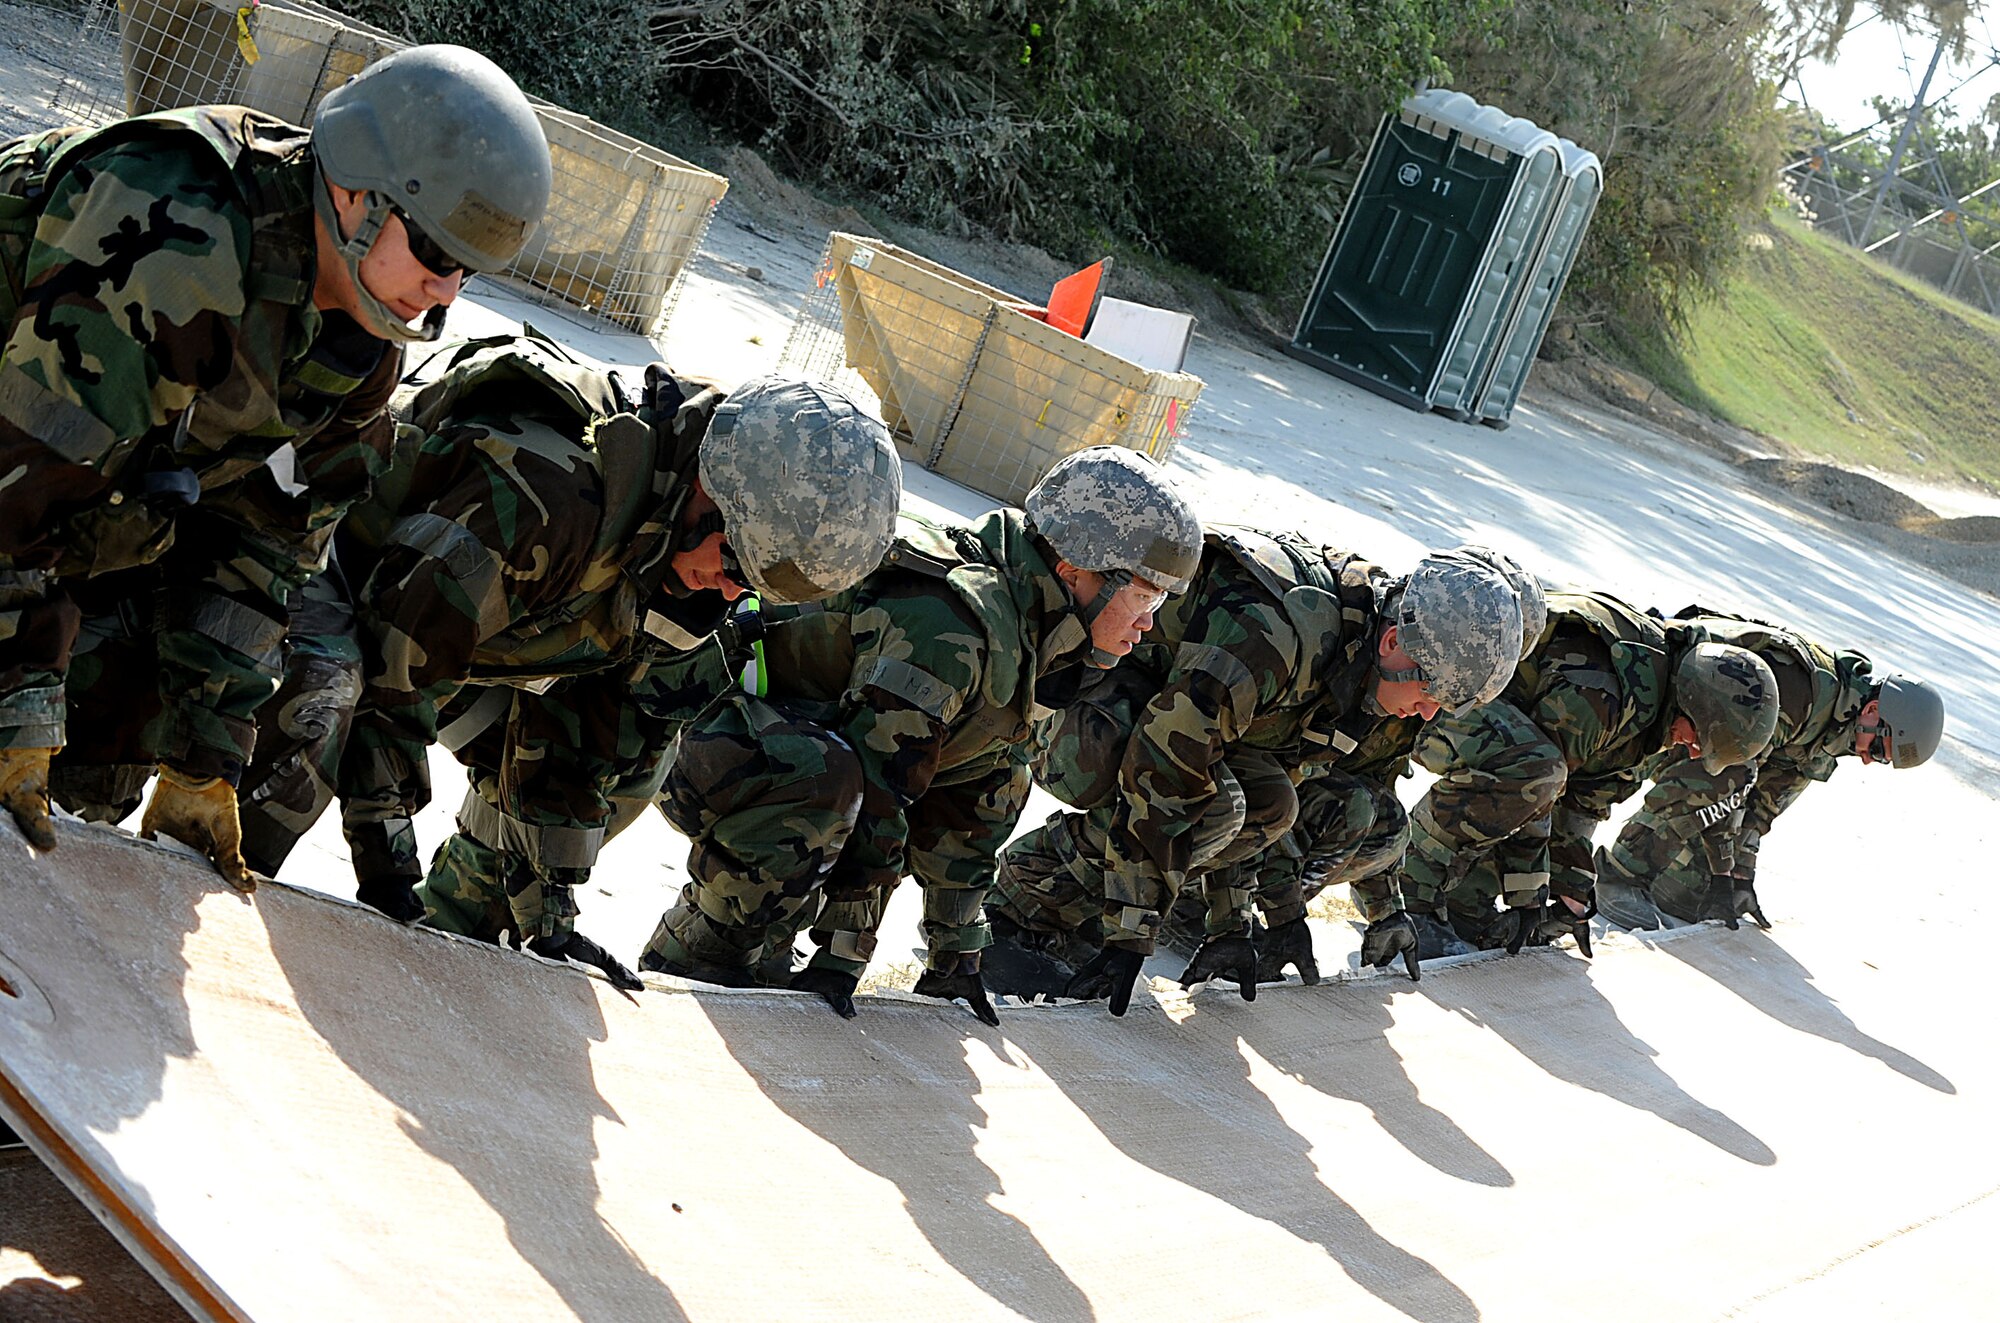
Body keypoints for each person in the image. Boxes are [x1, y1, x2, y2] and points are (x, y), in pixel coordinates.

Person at [0, 45, 552, 888]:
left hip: (77, 515)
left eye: (467, 270)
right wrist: (20, 698)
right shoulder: (182, 228)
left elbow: (268, 546)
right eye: (437, 253)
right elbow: (16, 484)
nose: (447, 290)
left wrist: (204, 759)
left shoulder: (360, 343)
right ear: (355, 191)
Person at [239, 330, 903, 990]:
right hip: (323, 556)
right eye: (735, 561)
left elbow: (580, 740)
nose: (733, 589)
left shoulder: (691, 576)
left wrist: (548, 911)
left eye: (754, 585)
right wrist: (385, 855)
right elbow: (399, 659)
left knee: (639, 766)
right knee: (324, 700)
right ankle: (213, 891)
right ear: (711, 484)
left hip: (467, 638)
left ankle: (468, 913)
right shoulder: (551, 489)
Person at [638, 446, 1205, 1023]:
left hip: (787, 749)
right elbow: (880, 791)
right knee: (823, 782)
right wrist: (845, 951)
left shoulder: (1036, 638)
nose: (1148, 623)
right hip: (689, 728)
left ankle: (762, 942)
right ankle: (695, 959)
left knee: (996, 774)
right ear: (1075, 574)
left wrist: (956, 955)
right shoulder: (951, 624)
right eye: (1142, 596)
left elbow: (976, 802)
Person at [984, 532, 1525, 1015]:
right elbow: (1164, 775)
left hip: (1164, 720)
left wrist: (1244, 922)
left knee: (1271, 800)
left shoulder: (1372, 664)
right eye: (1429, 694)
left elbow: (1284, 791)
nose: (1429, 714)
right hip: (1074, 706)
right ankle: (1021, 907)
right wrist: (1132, 933)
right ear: (1394, 646)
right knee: (1210, 802)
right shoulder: (1278, 635)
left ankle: (1099, 910)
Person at [1392, 590, 1781, 957]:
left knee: (1539, 787)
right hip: (1426, 698)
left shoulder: (1652, 714)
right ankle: (1408, 888)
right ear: (1694, 703)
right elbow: (1533, 795)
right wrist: (1528, 897)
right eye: (1701, 739)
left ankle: (1463, 900)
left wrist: (1571, 890)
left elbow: (1581, 807)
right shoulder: (1603, 696)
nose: (1694, 752)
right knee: (1534, 776)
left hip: (1493, 728)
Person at [1595, 609, 1943, 929]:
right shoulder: (1800, 692)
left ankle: (1660, 876)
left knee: (1692, 890)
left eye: (1881, 759)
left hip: (1700, 741)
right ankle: (1619, 874)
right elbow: (1726, 768)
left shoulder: (1831, 733)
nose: (1870, 759)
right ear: (1872, 708)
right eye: (1880, 749)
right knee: (1729, 778)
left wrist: (1736, 879)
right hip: (1655, 710)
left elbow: (1762, 806)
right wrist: (1723, 866)